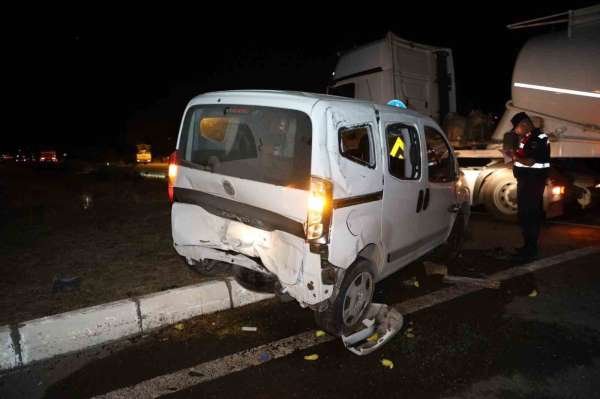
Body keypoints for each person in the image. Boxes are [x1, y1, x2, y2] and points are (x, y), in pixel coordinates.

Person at [509, 112, 551, 261]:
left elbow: (530, 161)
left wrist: (514, 157)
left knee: (530, 216)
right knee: (525, 215)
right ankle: (527, 247)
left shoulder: (537, 138)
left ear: (524, 124)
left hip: (532, 183)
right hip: (527, 182)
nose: (515, 131)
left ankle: (530, 250)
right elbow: (522, 157)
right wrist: (514, 157)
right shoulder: (527, 138)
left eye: (516, 128)